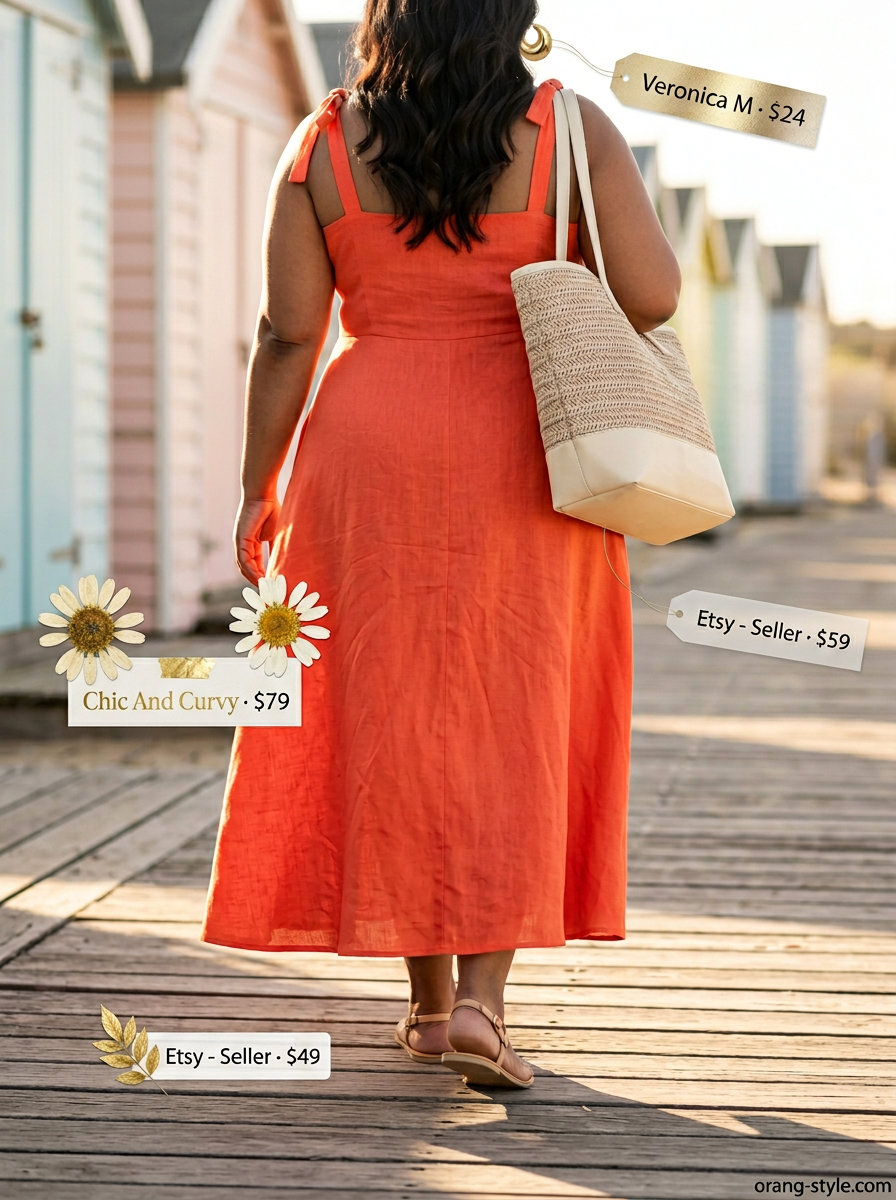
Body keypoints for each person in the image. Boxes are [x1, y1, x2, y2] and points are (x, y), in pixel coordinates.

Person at [200, 0, 680, 1089]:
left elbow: (286, 332)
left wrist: (254, 488)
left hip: (366, 449)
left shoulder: (321, 138)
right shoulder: (570, 126)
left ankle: (423, 1009)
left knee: (391, 708)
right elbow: (648, 295)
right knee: (518, 707)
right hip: (529, 446)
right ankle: (481, 1003)